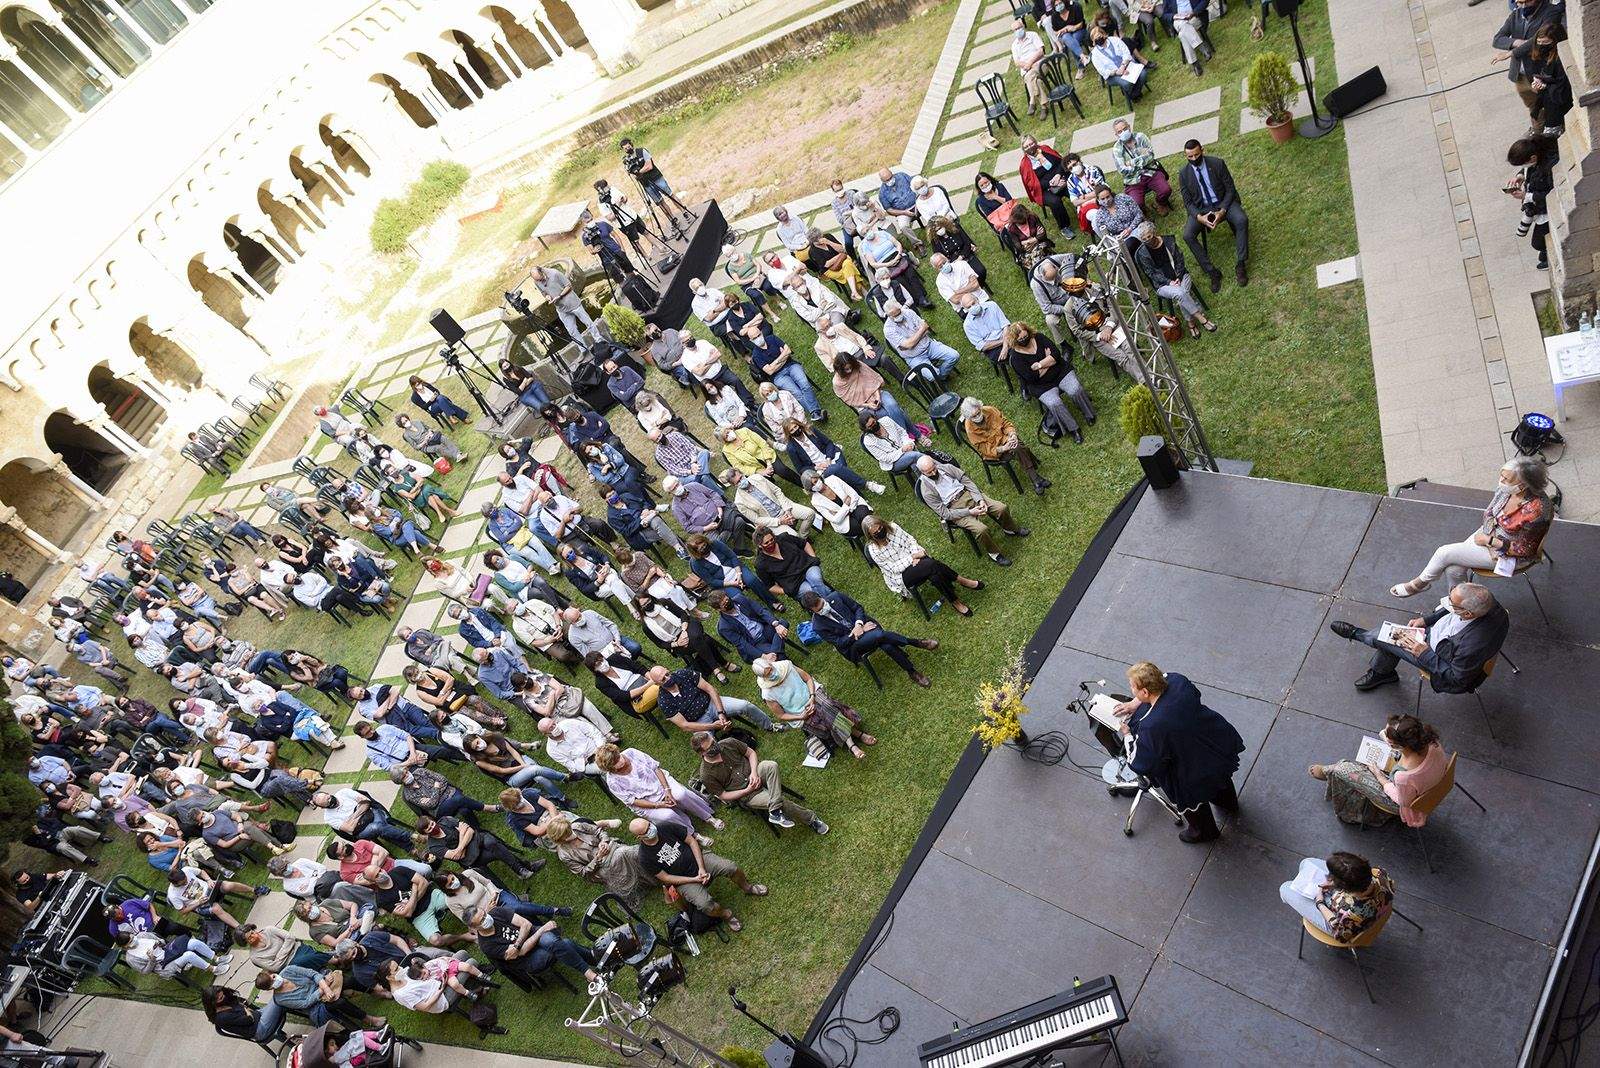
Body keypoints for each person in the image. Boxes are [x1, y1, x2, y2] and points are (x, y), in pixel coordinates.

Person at [1111, 661, 1245, 843]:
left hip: (1188, 769)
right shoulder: (1178, 681)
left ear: (1145, 692)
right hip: (1212, 743)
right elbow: (1183, 688)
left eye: (1133, 687)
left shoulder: (1152, 726)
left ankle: (1204, 832)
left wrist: (1127, 734)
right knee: (1220, 779)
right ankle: (1228, 804)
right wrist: (1136, 703)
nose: (1132, 690)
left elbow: (1141, 761)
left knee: (1194, 803)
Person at [1391, 456, 1552, 597]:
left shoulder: (1537, 511)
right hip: (1488, 533)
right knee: (1454, 570)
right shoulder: (1506, 490)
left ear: (1522, 486)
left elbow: (1526, 549)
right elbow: (1489, 512)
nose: (1501, 481)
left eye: (1506, 479)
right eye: (1501, 476)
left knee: (1443, 552)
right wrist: (1488, 534)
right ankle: (1458, 604)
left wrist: (1490, 541)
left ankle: (1419, 584)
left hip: (1508, 553)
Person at [1330, 582, 1511, 694]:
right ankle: (1382, 672)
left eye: (1452, 602)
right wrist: (1427, 620)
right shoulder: (1487, 602)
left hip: (1438, 657)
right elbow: (1449, 608)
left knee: (1385, 637)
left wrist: (1424, 653)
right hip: (1442, 641)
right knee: (1392, 641)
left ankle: (1357, 634)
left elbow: (1457, 679)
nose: (1447, 602)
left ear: (1468, 613)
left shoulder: (1471, 646)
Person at [1308, 713, 1449, 828]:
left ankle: (1329, 771)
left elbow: (1401, 801)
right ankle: (1330, 771)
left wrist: (1379, 776)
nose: (1384, 733)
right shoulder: (1431, 742)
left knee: (1343, 769)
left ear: (1399, 745)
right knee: (1365, 763)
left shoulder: (1403, 777)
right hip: (1434, 782)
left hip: (1402, 800)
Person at [690, 732, 827, 832]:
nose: (715, 745)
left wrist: (754, 773)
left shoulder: (728, 743)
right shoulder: (706, 774)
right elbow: (723, 795)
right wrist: (746, 790)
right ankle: (811, 819)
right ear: (702, 753)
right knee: (781, 801)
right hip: (747, 794)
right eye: (710, 747)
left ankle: (774, 811)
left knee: (770, 765)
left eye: (713, 741)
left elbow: (751, 753)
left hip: (755, 773)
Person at [802, 588, 936, 687]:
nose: (823, 608)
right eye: (819, 609)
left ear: (821, 597)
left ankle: (912, 672)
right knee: (880, 635)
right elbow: (840, 643)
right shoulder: (818, 626)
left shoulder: (836, 596)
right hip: (853, 646)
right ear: (811, 611)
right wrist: (857, 632)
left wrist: (859, 624)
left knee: (886, 645)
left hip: (865, 626)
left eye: (822, 603)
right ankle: (915, 642)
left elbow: (857, 608)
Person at [752, 655, 875, 757]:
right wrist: (801, 716)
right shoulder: (767, 693)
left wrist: (811, 696)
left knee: (826, 706)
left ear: (771, 664)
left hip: (812, 693)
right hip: (800, 712)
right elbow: (781, 715)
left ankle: (852, 745)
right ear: (763, 677)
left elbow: (808, 679)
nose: (771, 673)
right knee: (826, 712)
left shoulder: (786, 666)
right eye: (768, 674)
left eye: (770, 669)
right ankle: (857, 734)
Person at [862, 514, 982, 614]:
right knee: (931, 565)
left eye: (880, 528)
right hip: (901, 575)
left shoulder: (893, 527)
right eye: (875, 533)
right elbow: (894, 568)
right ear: (871, 536)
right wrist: (913, 557)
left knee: (935, 575)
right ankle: (962, 581)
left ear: (883, 524)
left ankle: (955, 602)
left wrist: (915, 554)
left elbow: (910, 540)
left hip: (917, 560)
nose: (880, 532)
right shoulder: (874, 550)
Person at [594, 743, 722, 834]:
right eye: (615, 763)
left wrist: (667, 790)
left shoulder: (631, 753)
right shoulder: (613, 781)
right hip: (646, 802)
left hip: (661, 783)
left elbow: (656, 768)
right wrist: (658, 805)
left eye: (618, 757)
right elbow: (633, 801)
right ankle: (691, 834)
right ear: (610, 768)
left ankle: (707, 816)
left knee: (681, 794)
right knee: (667, 815)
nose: (620, 761)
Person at [1003, 321, 1095, 443]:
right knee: (1054, 403)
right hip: (1041, 386)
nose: (1024, 340)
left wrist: (1039, 365)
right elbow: (1032, 377)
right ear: (1014, 340)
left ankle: (1089, 414)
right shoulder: (1015, 357)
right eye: (1021, 339)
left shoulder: (1039, 337)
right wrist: (1048, 360)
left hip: (1060, 372)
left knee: (1075, 389)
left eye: (1026, 336)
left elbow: (1056, 355)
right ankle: (1073, 429)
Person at [1178, 140, 1249, 291]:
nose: (1194, 159)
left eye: (1196, 155)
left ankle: (1241, 263)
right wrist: (1199, 217)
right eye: (1190, 156)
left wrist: (1222, 210)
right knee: (1188, 235)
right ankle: (1212, 272)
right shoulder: (1184, 174)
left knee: (1241, 220)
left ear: (1202, 150)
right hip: (1202, 209)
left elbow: (1230, 189)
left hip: (1223, 202)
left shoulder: (1217, 164)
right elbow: (1188, 202)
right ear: (1185, 156)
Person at [1278, 852, 1395, 943]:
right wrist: (1335, 884)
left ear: (1343, 888)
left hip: (1342, 923)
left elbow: (1340, 935)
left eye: (1332, 877)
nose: (1328, 877)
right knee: (1305, 862)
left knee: (1285, 888)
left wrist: (1320, 903)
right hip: (1373, 904)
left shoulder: (1349, 913)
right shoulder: (1380, 873)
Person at [1134, 223, 1216, 337]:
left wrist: (1178, 277)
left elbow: (1180, 259)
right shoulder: (1142, 253)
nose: (1148, 240)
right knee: (1181, 292)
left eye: (1149, 236)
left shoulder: (1168, 241)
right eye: (1144, 239)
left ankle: (1191, 323)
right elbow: (1151, 273)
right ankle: (1201, 318)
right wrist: (1169, 282)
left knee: (1181, 293)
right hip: (1163, 285)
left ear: (1154, 232)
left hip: (1181, 275)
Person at [961, 397, 1051, 494]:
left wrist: (1012, 434)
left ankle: (1036, 480)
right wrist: (1003, 448)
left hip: (1005, 438)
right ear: (969, 417)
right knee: (1018, 448)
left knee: (1017, 446)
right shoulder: (970, 429)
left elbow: (1005, 423)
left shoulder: (990, 410)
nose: (978, 416)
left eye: (978, 413)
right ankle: (1036, 478)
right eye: (974, 416)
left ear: (980, 407)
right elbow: (985, 449)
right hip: (995, 452)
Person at [1492, 0, 1567, 116]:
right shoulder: (1516, 15)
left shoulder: (1551, 12)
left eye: (1526, 2)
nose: (1522, 6)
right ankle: (1538, 126)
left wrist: (1511, 53)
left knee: (1553, 107)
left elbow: (1538, 40)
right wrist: (1519, 42)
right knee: (1534, 109)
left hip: (1541, 73)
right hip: (1520, 75)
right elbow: (1497, 39)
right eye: (1519, 3)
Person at [651, 663, 776, 732]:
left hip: (712, 704)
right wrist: (713, 726)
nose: (668, 678)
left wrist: (721, 713)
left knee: (744, 705)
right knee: (707, 746)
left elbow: (710, 689)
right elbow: (685, 725)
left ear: (667, 669)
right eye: (663, 679)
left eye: (667, 674)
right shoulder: (664, 701)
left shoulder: (683, 674)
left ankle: (770, 726)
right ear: (657, 684)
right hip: (698, 721)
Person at [1508, 136, 1557, 270]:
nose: (1523, 167)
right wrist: (1520, 177)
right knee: (1539, 240)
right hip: (1537, 207)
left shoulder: (1549, 167)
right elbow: (1526, 169)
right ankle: (1546, 251)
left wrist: (1526, 196)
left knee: (1538, 243)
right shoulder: (1535, 157)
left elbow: (1552, 194)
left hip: (1546, 210)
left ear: (1533, 158)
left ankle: (1550, 254)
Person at [882, 302, 961, 380]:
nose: (899, 316)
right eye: (895, 315)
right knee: (932, 376)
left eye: (899, 312)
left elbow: (926, 329)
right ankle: (939, 375)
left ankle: (941, 376)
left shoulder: (908, 312)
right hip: (914, 357)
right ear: (889, 316)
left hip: (929, 345)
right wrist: (920, 331)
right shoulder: (888, 329)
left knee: (954, 356)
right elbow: (909, 344)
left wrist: (912, 342)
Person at [1018, 135, 1074, 232]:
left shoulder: (1045, 149)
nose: (1030, 147)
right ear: (1023, 149)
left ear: (1035, 142)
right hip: (1044, 189)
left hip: (1060, 178)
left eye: (1031, 144)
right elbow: (1033, 184)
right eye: (1026, 146)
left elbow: (1060, 162)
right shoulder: (1025, 164)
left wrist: (1058, 175)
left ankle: (1083, 209)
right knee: (1055, 202)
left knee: (1073, 188)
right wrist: (1050, 183)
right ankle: (1064, 227)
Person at [532, 264, 594, 343]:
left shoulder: (555, 273)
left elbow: (568, 286)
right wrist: (547, 296)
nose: (539, 281)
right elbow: (543, 292)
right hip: (561, 310)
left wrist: (560, 296)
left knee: (588, 323)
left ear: (542, 272)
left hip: (572, 304)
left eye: (540, 279)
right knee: (572, 332)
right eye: (537, 280)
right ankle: (583, 348)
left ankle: (600, 339)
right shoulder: (536, 281)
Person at [1091, 27, 1149, 106]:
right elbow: (1102, 70)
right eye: (1095, 39)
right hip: (1113, 75)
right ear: (1093, 41)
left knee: (1143, 73)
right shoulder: (1095, 54)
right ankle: (1133, 93)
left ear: (1104, 34)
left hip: (1126, 65)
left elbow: (1126, 53)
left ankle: (1133, 94)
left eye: (1099, 36)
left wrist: (1123, 66)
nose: (1098, 39)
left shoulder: (1115, 40)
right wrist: (1117, 72)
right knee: (1126, 83)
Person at [1011, 17, 1048, 114]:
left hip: (1040, 64)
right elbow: (1017, 62)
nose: (1018, 30)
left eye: (1019, 28)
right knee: (1037, 81)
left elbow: (1041, 51)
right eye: (1015, 30)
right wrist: (1029, 65)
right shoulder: (1014, 45)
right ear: (1013, 32)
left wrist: (1030, 62)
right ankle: (1044, 106)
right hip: (1027, 69)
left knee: (1029, 76)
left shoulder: (1033, 35)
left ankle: (1032, 101)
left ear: (1023, 27)